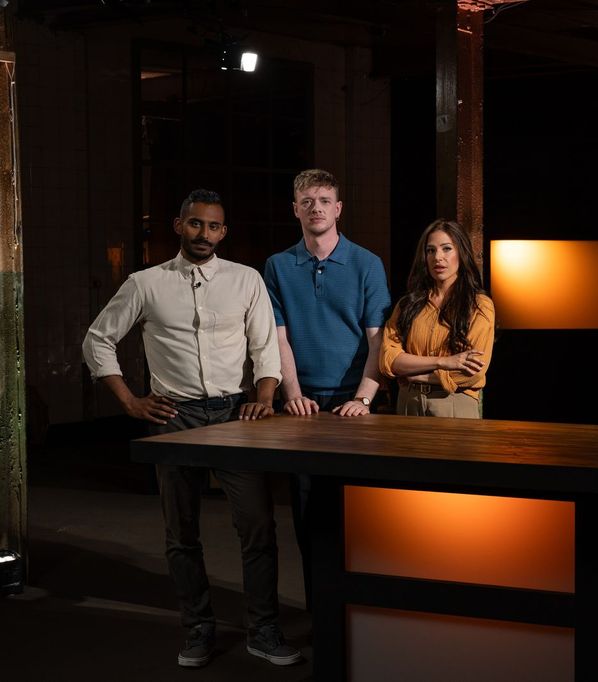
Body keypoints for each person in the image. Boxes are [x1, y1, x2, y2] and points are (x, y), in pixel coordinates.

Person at [82, 189, 301, 669]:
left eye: (214, 226)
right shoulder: (145, 283)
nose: (205, 233)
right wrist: (130, 401)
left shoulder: (245, 279)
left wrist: (264, 398)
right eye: (196, 223)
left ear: (224, 232)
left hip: (235, 416)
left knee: (258, 526)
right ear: (179, 225)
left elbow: (265, 346)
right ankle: (197, 628)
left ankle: (264, 630)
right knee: (181, 530)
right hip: (174, 417)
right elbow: (97, 340)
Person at [263, 168, 390, 610]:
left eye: (323, 201)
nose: (315, 208)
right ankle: (321, 614)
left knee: (358, 512)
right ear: (295, 210)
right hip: (304, 408)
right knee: (307, 514)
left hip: (355, 404)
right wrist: (292, 394)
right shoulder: (278, 265)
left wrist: (363, 398)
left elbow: (378, 340)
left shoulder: (367, 263)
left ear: (338, 209)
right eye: (306, 201)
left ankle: (361, 612)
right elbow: (278, 337)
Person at [380, 219, 494, 418]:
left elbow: (473, 373)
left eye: (446, 249)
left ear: (461, 253)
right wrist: (443, 362)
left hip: (454, 402)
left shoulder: (479, 305)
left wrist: (419, 375)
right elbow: (388, 360)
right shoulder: (408, 305)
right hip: (409, 402)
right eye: (430, 250)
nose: (437, 257)